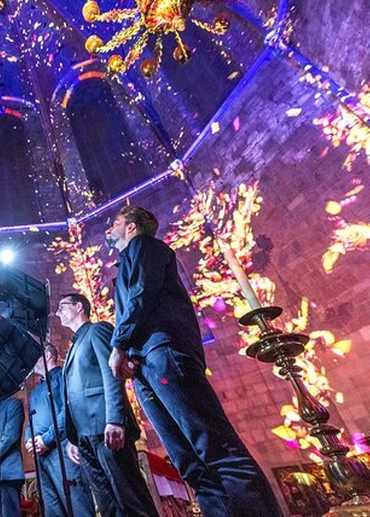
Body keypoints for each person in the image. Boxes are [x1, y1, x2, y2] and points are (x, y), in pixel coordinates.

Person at [105, 205, 282, 517]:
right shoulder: (126, 260)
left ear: (132, 226)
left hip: (164, 352)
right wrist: (128, 350)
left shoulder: (145, 246)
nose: (109, 227)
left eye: (116, 221)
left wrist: (119, 343)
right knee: (189, 462)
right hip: (145, 363)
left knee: (215, 447)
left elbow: (143, 293)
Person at [57, 293, 159, 516]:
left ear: (79, 306)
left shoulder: (97, 330)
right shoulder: (73, 347)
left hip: (106, 427)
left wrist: (115, 419)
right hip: (84, 436)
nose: (58, 312)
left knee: (130, 498)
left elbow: (111, 374)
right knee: (107, 504)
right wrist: (73, 438)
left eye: (62, 306)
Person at [25, 344, 96, 517]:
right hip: (42, 456)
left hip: (62, 449)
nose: (31, 361)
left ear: (48, 355)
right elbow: (31, 421)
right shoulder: (36, 391)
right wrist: (29, 439)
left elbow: (68, 410)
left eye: (36, 355)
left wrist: (47, 439)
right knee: (52, 510)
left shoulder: (63, 376)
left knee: (77, 504)